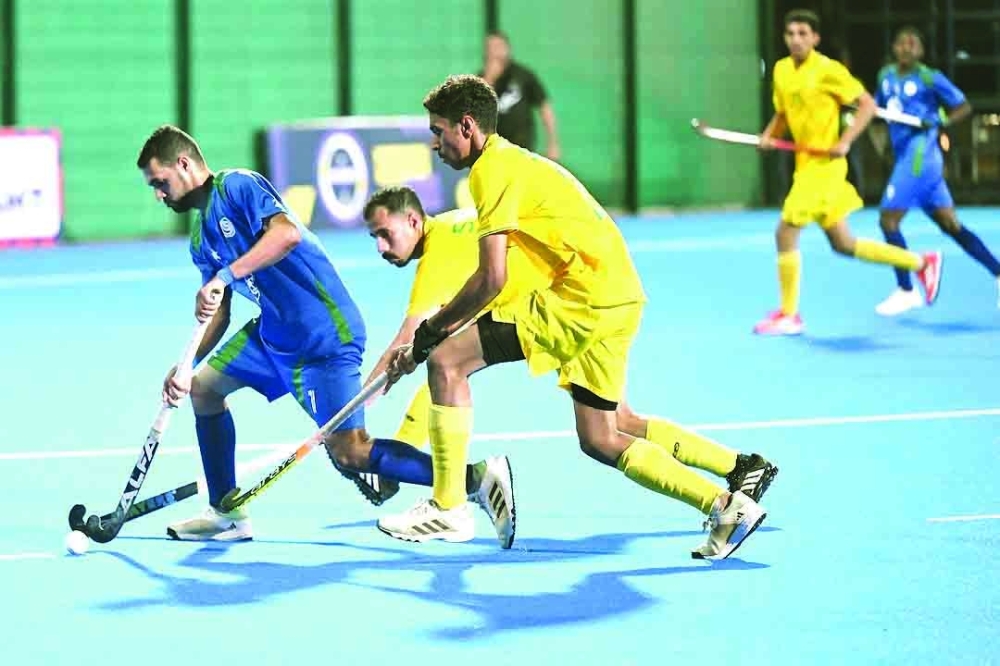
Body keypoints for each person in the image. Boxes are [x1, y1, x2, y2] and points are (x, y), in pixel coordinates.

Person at [377, 75, 771, 560]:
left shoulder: (491, 171)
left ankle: (450, 506)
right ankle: (725, 504)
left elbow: (491, 279)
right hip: (617, 295)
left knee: (446, 362)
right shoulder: (514, 162)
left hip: (582, 300)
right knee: (603, 435)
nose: (434, 144)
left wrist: (427, 337)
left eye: (438, 132)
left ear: (466, 126)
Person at [135, 125, 510, 542]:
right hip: (271, 335)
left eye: (160, 182)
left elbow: (286, 234)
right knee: (203, 390)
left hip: (323, 337)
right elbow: (218, 313)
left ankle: (475, 478)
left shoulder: (237, 186)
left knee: (352, 452)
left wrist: (226, 275)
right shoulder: (199, 238)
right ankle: (227, 513)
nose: (158, 194)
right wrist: (186, 365)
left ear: (184, 165)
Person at [363, 185, 780, 524]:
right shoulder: (455, 222)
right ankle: (742, 466)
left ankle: (448, 505)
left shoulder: (435, 258)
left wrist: (352, 422)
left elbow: (408, 343)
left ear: (414, 220)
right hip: (577, 295)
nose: (381, 247)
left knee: (452, 368)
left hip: (552, 314)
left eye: (386, 233)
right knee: (620, 421)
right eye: (374, 238)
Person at [755, 9, 943, 335]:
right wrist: (770, 136)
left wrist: (844, 141)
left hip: (826, 168)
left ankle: (789, 315)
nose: (796, 40)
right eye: (791, 34)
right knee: (843, 243)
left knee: (785, 233)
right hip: (805, 166)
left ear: (815, 38)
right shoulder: (782, 70)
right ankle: (921, 262)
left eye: (803, 34)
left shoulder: (829, 70)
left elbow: (868, 105)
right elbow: (783, 114)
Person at [873, 26, 1000, 316]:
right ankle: (998, 272)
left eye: (913, 43)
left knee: (888, 220)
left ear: (921, 51)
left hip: (922, 158)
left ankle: (906, 290)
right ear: (894, 48)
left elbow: (963, 106)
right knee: (950, 225)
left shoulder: (930, 78)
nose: (907, 48)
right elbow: (878, 110)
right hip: (905, 156)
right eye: (901, 42)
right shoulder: (885, 77)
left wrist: (941, 119)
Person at [480, 31, 560, 161]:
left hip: (522, 149)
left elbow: (544, 108)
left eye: (498, 47)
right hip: (493, 152)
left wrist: (552, 142)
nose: (494, 52)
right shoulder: (481, 79)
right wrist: (490, 79)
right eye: (490, 48)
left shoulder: (522, 76)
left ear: (507, 49)